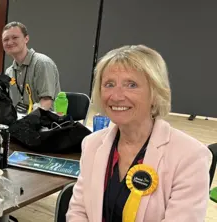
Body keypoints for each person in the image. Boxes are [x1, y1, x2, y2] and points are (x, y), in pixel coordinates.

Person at [67, 45, 210, 222]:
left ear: (155, 93)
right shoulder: (92, 144)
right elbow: (78, 211)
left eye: (131, 85)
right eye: (109, 84)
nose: (117, 96)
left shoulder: (190, 156)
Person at [2, 21, 60, 112]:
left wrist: (27, 120)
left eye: (15, 37)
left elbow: (47, 102)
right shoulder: (9, 72)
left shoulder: (42, 64)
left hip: (45, 122)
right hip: (21, 120)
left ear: (26, 39)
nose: (9, 42)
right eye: (5, 39)